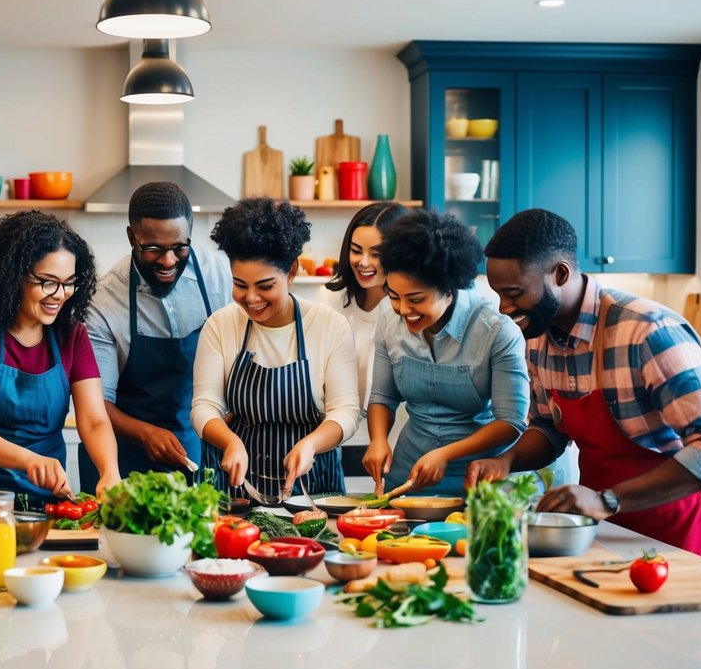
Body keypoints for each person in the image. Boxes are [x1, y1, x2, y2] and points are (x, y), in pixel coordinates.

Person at [474, 209, 701, 563]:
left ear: (560, 274)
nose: (504, 307)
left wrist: (605, 500)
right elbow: (548, 428)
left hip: (682, 529)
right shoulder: (537, 337)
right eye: (498, 294)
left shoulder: (646, 331)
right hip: (608, 530)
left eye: (513, 293)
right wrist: (507, 459)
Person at [0, 211, 121, 504]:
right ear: (13, 276)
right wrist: (29, 460)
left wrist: (110, 471)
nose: (60, 295)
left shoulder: (72, 336)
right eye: (48, 282)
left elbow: (95, 420)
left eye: (69, 282)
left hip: (49, 504)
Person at [192, 198, 359, 500]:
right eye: (240, 284)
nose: (251, 298)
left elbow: (346, 412)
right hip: (236, 489)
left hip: (313, 487)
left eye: (265, 286)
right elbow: (204, 406)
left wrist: (311, 444)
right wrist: (229, 441)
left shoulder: (329, 326)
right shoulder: (220, 325)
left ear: (292, 270)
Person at [364, 210, 529, 497]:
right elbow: (383, 397)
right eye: (393, 295)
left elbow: (511, 421)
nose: (403, 310)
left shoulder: (495, 329)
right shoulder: (389, 322)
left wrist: (446, 454)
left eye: (416, 299)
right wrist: (378, 440)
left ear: (450, 289)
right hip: (410, 474)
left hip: (481, 478)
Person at [81, 182, 232, 492]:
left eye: (180, 247)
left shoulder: (219, 275)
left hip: (200, 442)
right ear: (131, 237)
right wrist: (144, 433)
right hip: (125, 455)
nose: (168, 261)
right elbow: (97, 403)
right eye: (153, 249)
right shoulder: (106, 300)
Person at [317, 201, 410, 456]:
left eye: (376, 254)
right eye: (356, 251)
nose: (364, 262)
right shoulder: (329, 300)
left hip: (391, 440)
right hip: (332, 434)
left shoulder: (408, 311)